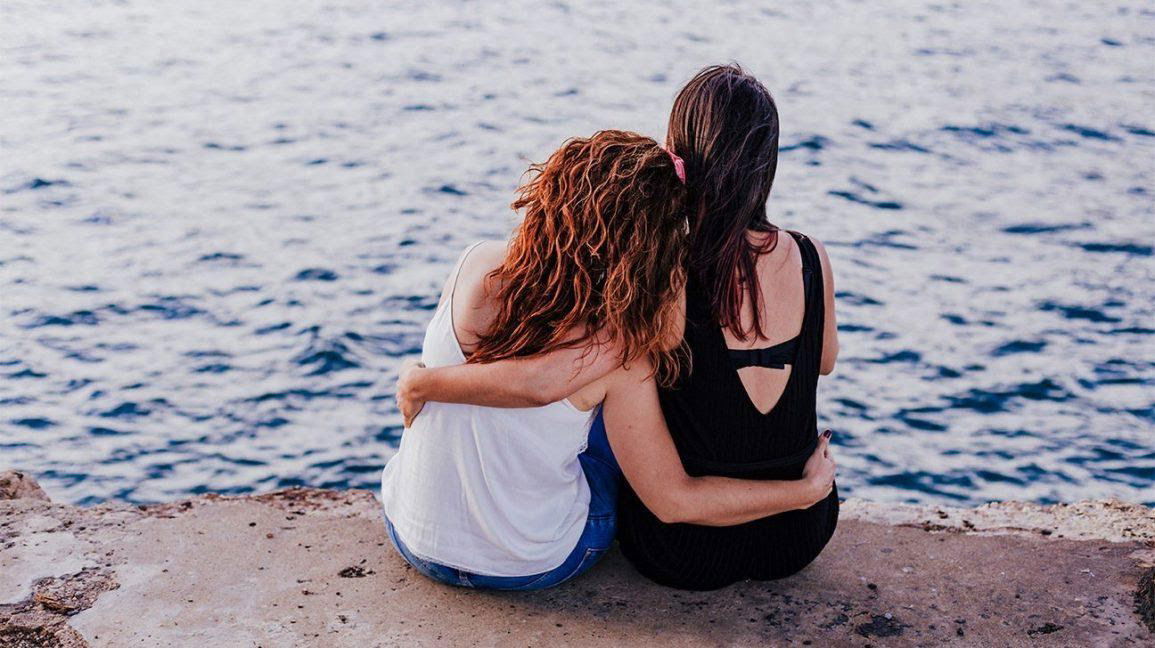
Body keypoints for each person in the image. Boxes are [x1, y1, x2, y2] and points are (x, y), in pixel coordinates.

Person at [396, 65, 840, 590]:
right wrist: (805, 491)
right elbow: (824, 360)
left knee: (606, 400)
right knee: (618, 395)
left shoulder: (646, 275)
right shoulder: (809, 257)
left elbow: (549, 379)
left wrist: (423, 382)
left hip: (678, 547)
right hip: (796, 534)